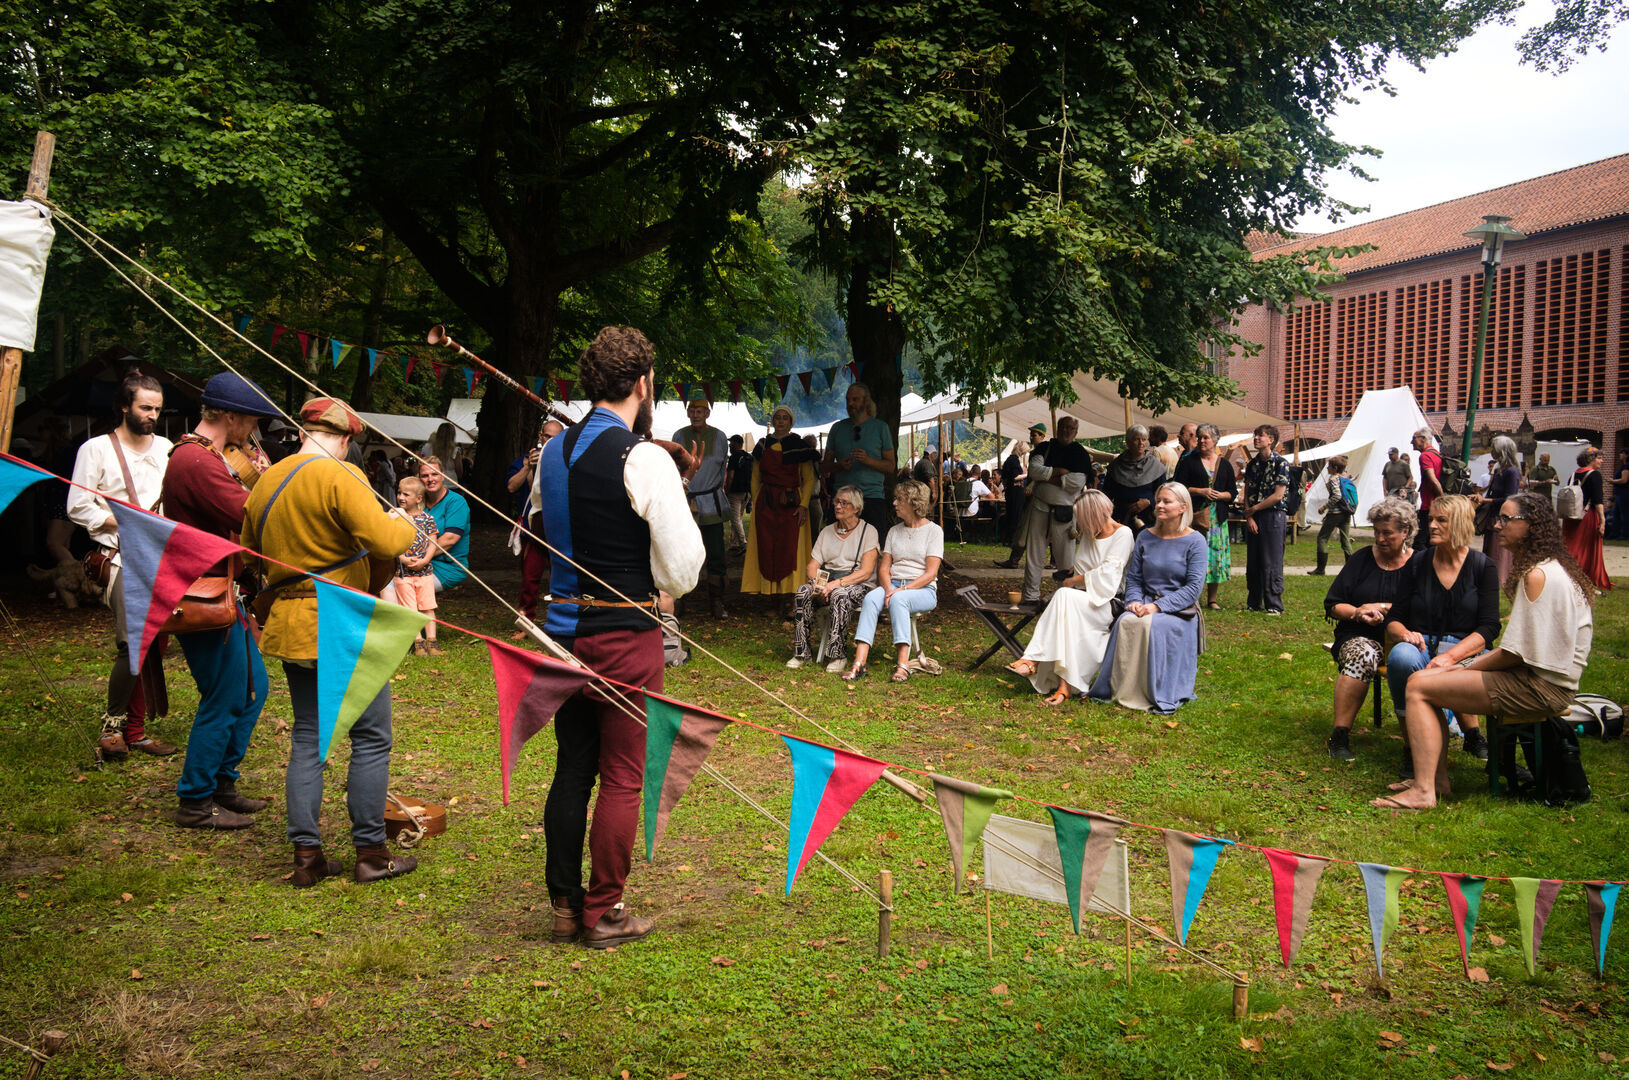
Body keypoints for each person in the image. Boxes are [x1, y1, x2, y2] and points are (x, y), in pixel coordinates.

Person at [536, 326, 705, 947]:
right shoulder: (644, 457)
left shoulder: (553, 451)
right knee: (624, 775)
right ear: (642, 384)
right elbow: (684, 570)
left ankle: (563, 905)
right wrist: (655, 576)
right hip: (623, 636)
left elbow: (541, 522)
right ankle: (602, 910)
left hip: (561, 634)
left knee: (573, 767)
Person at [240, 396, 420, 886]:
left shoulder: (265, 481)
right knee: (371, 737)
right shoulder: (342, 475)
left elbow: (248, 555)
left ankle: (306, 858)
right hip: (341, 623)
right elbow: (384, 543)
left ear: (304, 431)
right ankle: (370, 854)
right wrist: (406, 522)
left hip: (293, 622)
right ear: (344, 438)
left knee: (307, 738)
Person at [1373, 493, 1594, 811]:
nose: (1496, 525)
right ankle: (1435, 780)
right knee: (1428, 679)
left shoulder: (1537, 575)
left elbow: (1513, 654)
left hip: (1541, 687)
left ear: (1531, 526)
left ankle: (1425, 790)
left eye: (1506, 519)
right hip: (1545, 680)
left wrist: (1460, 668)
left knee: (1421, 685)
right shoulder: (1550, 568)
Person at [161, 372, 278, 828]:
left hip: (227, 588)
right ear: (230, 416)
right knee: (225, 696)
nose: (254, 432)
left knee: (253, 689)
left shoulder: (210, 456)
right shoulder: (196, 461)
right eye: (251, 420)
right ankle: (194, 800)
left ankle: (222, 784)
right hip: (203, 593)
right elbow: (249, 516)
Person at [67, 371, 178, 760]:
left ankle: (135, 729)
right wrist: (129, 521)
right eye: (145, 407)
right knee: (135, 643)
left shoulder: (166, 447)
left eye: (157, 409)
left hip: (163, 557)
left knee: (156, 644)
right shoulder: (95, 449)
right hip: (118, 557)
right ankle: (112, 726)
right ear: (123, 406)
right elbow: (78, 506)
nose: (152, 415)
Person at [1383, 494, 1498, 773]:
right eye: (1430, 519)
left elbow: (1489, 627)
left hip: (1464, 649)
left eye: (1441, 520)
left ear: (1459, 523)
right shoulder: (1419, 563)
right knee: (1400, 657)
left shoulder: (1483, 566)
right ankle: (1412, 747)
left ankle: (1471, 735)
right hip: (1422, 645)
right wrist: (1404, 635)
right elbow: (1395, 619)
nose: (1432, 525)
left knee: (1453, 666)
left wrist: (1452, 657)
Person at [1087, 483, 1208, 714]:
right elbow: (1134, 577)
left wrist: (1157, 607)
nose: (1159, 505)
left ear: (1183, 507)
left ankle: (1152, 690)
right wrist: (1134, 600)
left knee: (1153, 626)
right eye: (1158, 500)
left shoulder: (1196, 541)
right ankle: (1121, 687)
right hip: (1144, 602)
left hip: (1178, 610)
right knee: (1126, 621)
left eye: (1166, 501)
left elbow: (1193, 589)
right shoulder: (1145, 536)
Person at [1004, 491, 1133, 704]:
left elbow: (1108, 577)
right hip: (1081, 601)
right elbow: (1081, 570)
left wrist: (1073, 582)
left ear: (1093, 514)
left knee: (1064, 594)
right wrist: (1074, 581)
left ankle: (1033, 658)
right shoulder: (1090, 535)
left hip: (1110, 603)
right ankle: (1064, 687)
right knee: (1066, 614)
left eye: (1082, 518)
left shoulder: (1123, 534)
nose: (1079, 523)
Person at [1321, 497, 1419, 761]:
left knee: (1413, 659)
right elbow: (1333, 604)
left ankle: (1422, 745)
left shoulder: (1419, 564)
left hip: (1406, 639)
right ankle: (1339, 735)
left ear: (1405, 532)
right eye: (1376, 531)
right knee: (1361, 654)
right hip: (1360, 634)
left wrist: (1386, 608)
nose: (1380, 538)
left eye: (1387, 533)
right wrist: (1358, 611)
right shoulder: (1362, 559)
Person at [842, 480, 942, 684]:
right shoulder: (894, 531)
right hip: (893, 585)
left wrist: (900, 591)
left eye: (899, 499)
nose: (894, 503)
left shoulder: (934, 531)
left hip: (923, 589)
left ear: (914, 502)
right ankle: (859, 663)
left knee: (899, 600)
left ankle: (903, 664)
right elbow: (884, 567)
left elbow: (931, 573)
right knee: (871, 598)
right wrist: (888, 589)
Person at [787, 485, 880, 672]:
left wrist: (834, 586)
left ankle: (838, 655)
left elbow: (866, 571)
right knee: (803, 592)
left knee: (839, 594)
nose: (838, 506)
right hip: (827, 582)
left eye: (844, 503)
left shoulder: (868, 531)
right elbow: (812, 565)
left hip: (858, 584)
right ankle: (801, 653)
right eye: (837, 501)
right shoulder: (827, 531)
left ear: (856, 508)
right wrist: (817, 585)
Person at [741, 406, 820, 607]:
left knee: (790, 547)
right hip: (766, 502)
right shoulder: (763, 444)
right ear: (773, 421)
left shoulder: (798, 445)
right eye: (777, 417)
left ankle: (791, 596)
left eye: (785, 418)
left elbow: (809, 478)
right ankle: (770, 596)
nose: (781, 421)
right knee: (766, 545)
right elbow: (756, 476)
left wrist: (803, 505)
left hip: (792, 503)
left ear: (791, 422)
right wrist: (756, 499)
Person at [1020, 416, 1092, 602]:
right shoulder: (1044, 448)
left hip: (1065, 511)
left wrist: (1047, 476)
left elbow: (1077, 483)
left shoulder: (1079, 453)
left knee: (1065, 559)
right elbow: (1034, 471)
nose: (1066, 431)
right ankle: (1030, 595)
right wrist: (1058, 472)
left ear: (1075, 432)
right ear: (1057, 428)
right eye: (1063, 427)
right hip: (1039, 507)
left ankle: (1066, 597)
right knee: (1034, 554)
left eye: (1070, 428)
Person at [672, 395, 732, 618]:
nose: (696, 415)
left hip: (711, 503)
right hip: (685, 502)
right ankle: (679, 601)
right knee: (680, 552)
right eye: (692, 411)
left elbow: (721, 469)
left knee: (715, 553)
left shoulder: (720, 436)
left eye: (700, 411)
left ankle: (717, 602)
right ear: (688, 413)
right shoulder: (679, 435)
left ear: (707, 414)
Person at [823, 383, 897, 546]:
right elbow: (824, 467)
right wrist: (839, 465)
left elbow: (891, 466)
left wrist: (868, 460)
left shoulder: (880, 428)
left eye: (855, 399)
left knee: (873, 548)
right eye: (848, 400)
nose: (850, 404)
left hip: (871, 500)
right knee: (837, 546)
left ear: (866, 401)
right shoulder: (837, 428)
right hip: (842, 501)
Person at [1173, 424, 1236, 610]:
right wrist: (1201, 491)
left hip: (1218, 519)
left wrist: (1221, 495)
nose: (1201, 441)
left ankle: (1212, 599)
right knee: (1193, 557)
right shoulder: (1188, 461)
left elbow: (1232, 491)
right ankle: (1190, 596)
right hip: (1195, 517)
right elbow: (1178, 486)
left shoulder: (1224, 464)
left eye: (1206, 437)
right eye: (1199, 437)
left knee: (1215, 558)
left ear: (1215, 440)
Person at [516, 419, 564, 633]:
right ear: (540, 436)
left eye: (555, 437)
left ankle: (559, 622)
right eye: (546, 436)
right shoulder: (529, 458)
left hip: (560, 523)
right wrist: (530, 467)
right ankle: (525, 622)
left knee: (561, 576)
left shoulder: (566, 457)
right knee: (530, 575)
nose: (549, 441)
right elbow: (526, 489)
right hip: (537, 522)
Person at [1241, 424, 1290, 615]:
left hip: (1273, 515)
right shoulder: (1252, 465)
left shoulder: (1281, 463)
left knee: (1271, 560)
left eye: (1260, 436)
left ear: (1271, 440)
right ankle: (1254, 602)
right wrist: (1249, 515)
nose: (1256, 439)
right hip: (1254, 515)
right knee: (1253, 560)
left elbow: (1278, 495)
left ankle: (1274, 604)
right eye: (1255, 435)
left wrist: (1255, 508)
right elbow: (1247, 492)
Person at [394, 476, 442, 655]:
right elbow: (391, 541)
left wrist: (425, 560)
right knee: (410, 609)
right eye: (399, 492)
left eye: (406, 494)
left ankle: (432, 640)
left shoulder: (428, 519)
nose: (401, 497)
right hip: (402, 573)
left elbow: (433, 542)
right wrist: (403, 559)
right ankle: (418, 641)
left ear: (419, 499)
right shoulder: (396, 517)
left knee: (427, 606)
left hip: (425, 572)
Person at [1473, 435, 1523, 585]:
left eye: (1494, 449)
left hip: (1503, 518)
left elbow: (1510, 499)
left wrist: (1485, 500)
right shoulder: (1500, 469)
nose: (1492, 452)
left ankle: (1499, 579)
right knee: (1491, 549)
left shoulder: (1512, 472)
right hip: (1493, 516)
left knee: (1499, 551)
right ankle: (1490, 578)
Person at [418, 456, 471, 592]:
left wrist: (418, 556)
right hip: (420, 564)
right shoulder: (418, 502)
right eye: (425, 476)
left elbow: (449, 539)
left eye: (435, 474)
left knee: (407, 588)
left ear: (442, 476)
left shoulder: (456, 502)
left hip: (447, 567)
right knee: (387, 584)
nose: (430, 479)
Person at [1563, 447, 1612, 591]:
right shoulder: (1594, 475)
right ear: (1590, 459)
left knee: (1570, 547)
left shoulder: (1574, 474)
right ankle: (1582, 579)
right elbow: (1597, 500)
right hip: (1587, 516)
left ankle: (1567, 576)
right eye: (1599, 458)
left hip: (1571, 516)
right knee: (1584, 548)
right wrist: (1602, 519)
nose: (1602, 461)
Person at [994, 424, 1043, 567]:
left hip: (1022, 493)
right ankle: (1011, 546)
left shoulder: (1015, 460)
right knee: (1017, 519)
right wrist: (1029, 476)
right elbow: (1015, 477)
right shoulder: (1013, 460)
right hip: (1016, 493)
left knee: (1018, 519)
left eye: (1034, 435)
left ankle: (1013, 550)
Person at [1104, 425, 1163, 534]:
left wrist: (1149, 501)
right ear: (1128, 442)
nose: (1141, 443)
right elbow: (1106, 495)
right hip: (1121, 520)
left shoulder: (1156, 466)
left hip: (1148, 521)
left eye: (1144, 439)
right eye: (1137, 439)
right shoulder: (1116, 466)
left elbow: (1163, 494)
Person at [1310, 455, 1355, 575]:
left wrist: (1324, 507)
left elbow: (1337, 496)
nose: (1327, 469)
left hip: (1335, 513)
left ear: (1335, 468)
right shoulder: (1345, 479)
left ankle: (1320, 569)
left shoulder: (1333, 479)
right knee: (1345, 540)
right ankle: (1351, 569)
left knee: (1322, 538)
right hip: (1346, 512)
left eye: (1329, 466)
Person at [1412, 428, 1444, 538]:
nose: (1412, 442)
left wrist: (1442, 500)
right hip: (1434, 504)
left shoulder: (1425, 456)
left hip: (1429, 505)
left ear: (1423, 439)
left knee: (1421, 542)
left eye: (1414, 438)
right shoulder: (1437, 454)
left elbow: (1433, 480)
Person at [726, 434, 753, 553]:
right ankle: (734, 543)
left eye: (731, 443)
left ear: (736, 443)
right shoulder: (749, 457)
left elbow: (731, 475)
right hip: (747, 492)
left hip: (735, 491)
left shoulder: (734, 457)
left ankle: (743, 542)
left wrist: (727, 490)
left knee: (735, 519)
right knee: (738, 518)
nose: (729, 445)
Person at [1608, 449, 1629, 540]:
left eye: (1622, 453)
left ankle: (1625, 535)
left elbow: (1624, 480)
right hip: (1620, 493)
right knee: (1616, 513)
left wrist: (1612, 481)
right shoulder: (1624, 466)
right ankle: (1614, 533)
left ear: (1626, 455)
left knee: (1624, 514)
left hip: (1624, 493)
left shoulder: (1627, 467)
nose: (1620, 454)